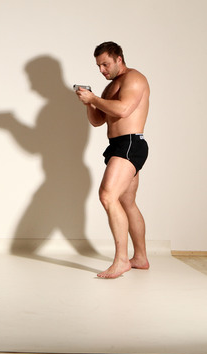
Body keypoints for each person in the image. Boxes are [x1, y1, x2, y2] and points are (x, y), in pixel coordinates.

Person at [76, 41, 150, 278]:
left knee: (107, 196)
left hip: (130, 144)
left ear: (119, 59)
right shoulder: (111, 87)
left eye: (105, 64)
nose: (102, 70)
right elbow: (98, 120)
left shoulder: (134, 79)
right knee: (126, 203)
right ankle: (139, 257)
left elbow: (123, 110)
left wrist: (94, 98)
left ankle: (121, 260)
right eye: (98, 66)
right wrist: (89, 103)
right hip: (118, 145)